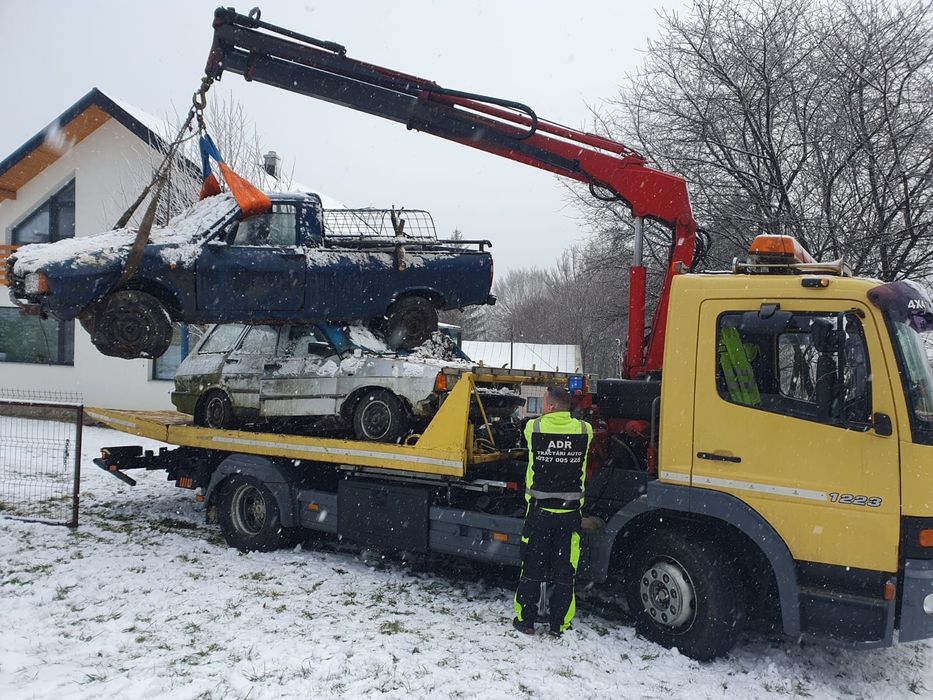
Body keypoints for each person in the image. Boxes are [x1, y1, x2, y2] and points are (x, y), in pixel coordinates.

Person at [513, 384, 593, 637]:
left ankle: (526, 621)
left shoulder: (533, 428)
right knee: (564, 571)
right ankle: (559, 624)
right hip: (569, 515)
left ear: (548, 407)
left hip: (539, 513)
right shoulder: (585, 430)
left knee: (532, 569)